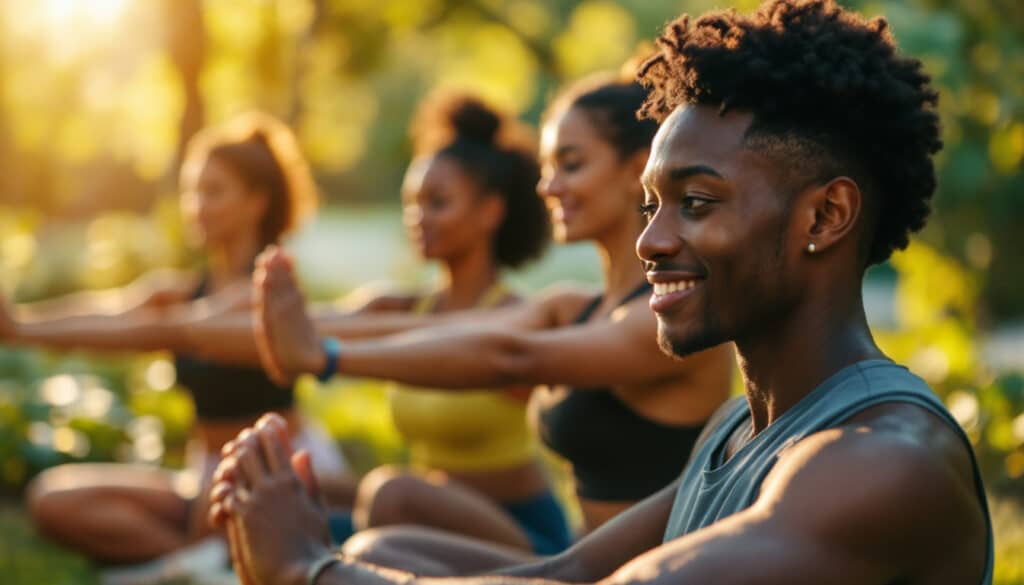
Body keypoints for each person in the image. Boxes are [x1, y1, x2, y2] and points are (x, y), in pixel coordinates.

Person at [207, 1, 993, 583]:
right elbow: (567, 574)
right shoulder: (737, 431)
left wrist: (308, 569)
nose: (651, 241)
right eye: (651, 205)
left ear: (825, 215)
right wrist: (319, 557)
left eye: (698, 202)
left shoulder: (885, 461)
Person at [248, 70, 733, 550]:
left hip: (651, 574)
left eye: (570, 164)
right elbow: (456, 329)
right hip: (586, 561)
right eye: (548, 168)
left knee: (384, 515)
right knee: (352, 538)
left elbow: (511, 356)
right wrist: (301, 332)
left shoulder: (669, 317)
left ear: (635, 171)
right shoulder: (572, 306)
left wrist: (325, 356)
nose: (548, 186)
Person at [0, 112, 347, 564]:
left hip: (279, 473)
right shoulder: (182, 290)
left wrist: (20, 330)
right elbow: (112, 313)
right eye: (191, 191)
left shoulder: (265, 291)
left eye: (213, 191)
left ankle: (197, 562)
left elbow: (150, 331)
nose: (196, 205)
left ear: (256, 202)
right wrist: (20, 323)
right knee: (53, 499)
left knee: (212, 512)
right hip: (203, 475)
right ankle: (198, 565)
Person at [318, 91, 571, 555]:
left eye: (437, 201)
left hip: (521, 536)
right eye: (412, 202)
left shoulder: (518, 320)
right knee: (292, 499)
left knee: (392, 493)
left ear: (490, 211)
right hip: (426, 528)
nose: (418, 217)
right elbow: (308, 326)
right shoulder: (398, 310)